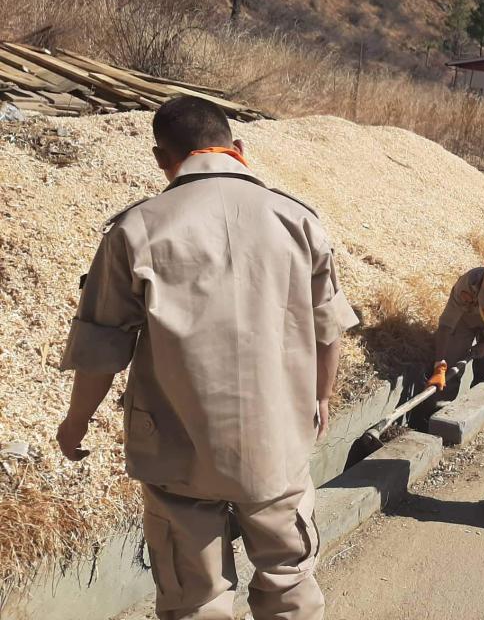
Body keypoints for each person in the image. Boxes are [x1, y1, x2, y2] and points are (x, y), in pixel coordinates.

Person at [55, 96, 358, 620]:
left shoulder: (135, 230)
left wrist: (75, 423)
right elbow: (327, 331)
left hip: (179, 447)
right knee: (289, 578)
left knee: (194, 596)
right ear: (239, 150)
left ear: (160, 158)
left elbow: (103, 350)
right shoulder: (298, 220)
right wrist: (320, 397)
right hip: (277, 442)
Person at [434, 259, 484, 382]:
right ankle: (444, 398)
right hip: (467, 320)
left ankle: (480, 387)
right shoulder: (468, 284)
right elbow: (446, 325)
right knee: (452, 360)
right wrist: (439, 364)